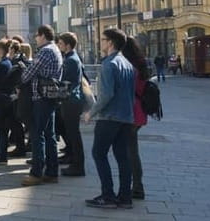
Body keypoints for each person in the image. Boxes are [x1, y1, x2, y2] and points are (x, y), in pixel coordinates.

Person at [83, 28, 136, 209]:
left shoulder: (108, 64)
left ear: (111, 43)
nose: (101, 42)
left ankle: (108, 195)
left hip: (109, 118)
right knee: (123, 157)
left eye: (103, 39)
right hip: (126, 117)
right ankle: (125, 197)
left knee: (98, 154)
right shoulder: (127, 64)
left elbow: (106, 95)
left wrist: (91, 112)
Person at [21, 25, 64, 186]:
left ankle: (37, 172)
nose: (35, 39)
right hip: (50, 96)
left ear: (44, 36)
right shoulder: (55, 49)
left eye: (37, 36)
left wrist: (22, 73)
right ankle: (52, 172)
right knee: (49, 135)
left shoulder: (46, 51)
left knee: (37, 134)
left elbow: (28, 74)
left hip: (42, 97)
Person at [122, 37, 150, 200]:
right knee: (132, 150)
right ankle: (136, 186)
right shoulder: (141, 63)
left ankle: (136, 188)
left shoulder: (129, 66)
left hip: (131, 111)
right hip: (139, 111)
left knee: (130, 152)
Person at [57, 32, 86, 177]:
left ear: (68, 45)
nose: (59, 46)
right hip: (72, 100)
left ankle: (78, 165)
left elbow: (66, 82)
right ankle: (72, 158)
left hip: (71, 100)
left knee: (73, 134)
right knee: (71, 132)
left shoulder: (71, 60)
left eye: (61, 43)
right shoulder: (71, 58)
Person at [8, 40, 30, 157]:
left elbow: (19, 77)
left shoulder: (17, 61)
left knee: (16, 121)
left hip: (17, 94)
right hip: (18, 94)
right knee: (17, 122)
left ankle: (20, 147)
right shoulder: (21, 60)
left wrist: (17, 90)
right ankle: (20, 146)